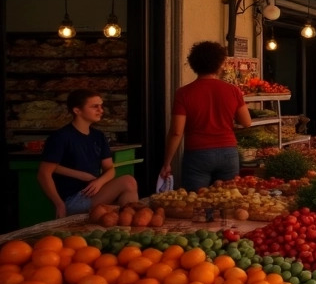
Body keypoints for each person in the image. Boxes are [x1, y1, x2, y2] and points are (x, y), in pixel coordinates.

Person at [160, 40, 252, 192]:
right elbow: (246, 122)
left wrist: (167, 163)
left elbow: (176, 132)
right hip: (228, 153)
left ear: (193, 64)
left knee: (196, 205)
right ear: (220, 63)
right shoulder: (233, 90)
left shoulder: (183, 93)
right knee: (226, 202)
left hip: (197, 154)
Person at [39, 89, 139, 219]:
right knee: (128, 182)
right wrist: (59, 205)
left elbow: (110, 169)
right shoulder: (61, 137)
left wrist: (99, 182)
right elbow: (43, 173)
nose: (101, 110)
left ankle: (129, 227)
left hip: (94, 192)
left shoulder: (99, 136)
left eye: (101, 106)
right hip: (73, 199)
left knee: (125, 204)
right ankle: (132, 225)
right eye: (95, 106)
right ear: (77, 111)